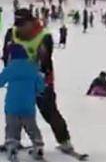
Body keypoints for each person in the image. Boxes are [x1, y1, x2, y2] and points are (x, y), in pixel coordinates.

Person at [3, 8, 75, 153]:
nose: (20, 28)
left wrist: (37, 82)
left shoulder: (44, 36)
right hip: (20, 81)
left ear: (31, 21)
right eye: (18, 24)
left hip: (41, 80)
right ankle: (13, 140)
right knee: (16, 111)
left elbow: (45, 63)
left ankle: (64, 141)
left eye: (23, 24)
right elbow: (6, 55)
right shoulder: (11, 34)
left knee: (49, 111)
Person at [0, 45, 45, 162]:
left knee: (12, 126)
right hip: (28, 105)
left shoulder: (10, 68)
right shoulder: (33, 68)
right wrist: (38, 90)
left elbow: (0, 81)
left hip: (12, 104)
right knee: (31, 126)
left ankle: (12, 145)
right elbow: (40, 85)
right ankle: (38, 144)